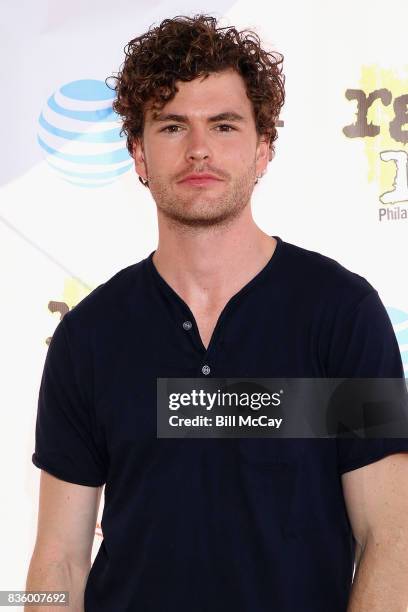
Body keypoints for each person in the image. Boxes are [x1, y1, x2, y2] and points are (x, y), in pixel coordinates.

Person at [26, 14, 408, 612]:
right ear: (138, 154)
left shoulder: (344, 313)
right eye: (173, 125)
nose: (199, 148)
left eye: (224, 125)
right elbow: (59, 559)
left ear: (262, 152)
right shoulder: (88, 336)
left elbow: (392, 540)